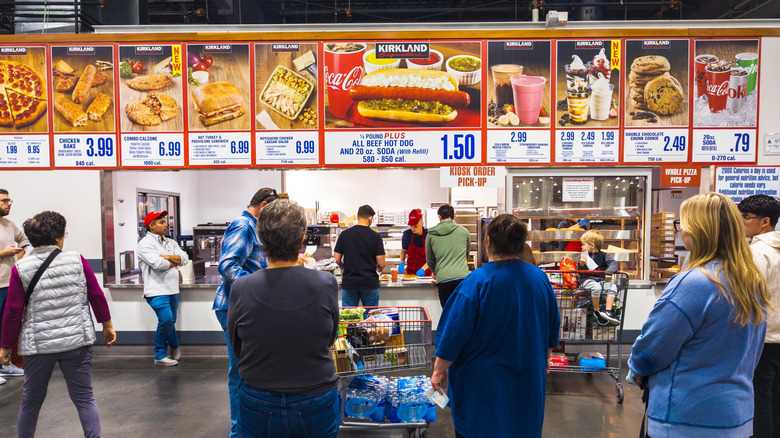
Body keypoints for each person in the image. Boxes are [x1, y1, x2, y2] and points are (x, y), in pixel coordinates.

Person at [628, 192, 770, 437]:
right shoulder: (751, 282)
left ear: (696, 231)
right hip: (736, 416)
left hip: (686, 418)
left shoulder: (694, 284)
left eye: (681, 225)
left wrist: (635, 370)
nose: (680, 231)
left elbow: (651, 352)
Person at [430, 214, 560, 438]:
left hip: (482, 395)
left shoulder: (476, 282)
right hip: (526, 388)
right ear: (522, 244)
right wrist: (546, 356)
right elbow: (551, 327)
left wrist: (438, 371)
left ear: (488, 242)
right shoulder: (540, 279)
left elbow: (453, 335)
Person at [228, 200, 340, 438]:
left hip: (257, 398)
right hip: (315, 397)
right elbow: (330, 337)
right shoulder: (325, 283)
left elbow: (237, 346)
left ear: (261, 240)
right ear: (302, 240)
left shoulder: (241, 287)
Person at [0, 211, 116, 438]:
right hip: (76, 342)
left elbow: (13, 312)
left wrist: (4, 346)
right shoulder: (76, 259)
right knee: (84, 397)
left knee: (31, 400)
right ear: (59, 237)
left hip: (38, 345)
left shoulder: (21, 268)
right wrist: (107, 325)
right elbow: (96, 295)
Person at [214, 187, 279, 438]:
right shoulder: (244, 225)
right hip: (236, 307)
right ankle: (238, 431)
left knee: (251, 369)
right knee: (240, 373)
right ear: (263, 206)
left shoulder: (256, 227)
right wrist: (259, 288)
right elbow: (228, 267)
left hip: (248, 307)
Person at [738, 194, 780, 438]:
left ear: (764, 222)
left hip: (762, 340)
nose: (741, 223)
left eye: (746, 218)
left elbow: (748, 296)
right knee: (776, 399)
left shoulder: (757, 252)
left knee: (759, 400)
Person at [137, 210, 189, 366]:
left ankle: (160, 354)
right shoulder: (145, 244)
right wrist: (174, 260)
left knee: (167, 321)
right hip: (156, 291)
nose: (166, 224)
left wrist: (167, 257)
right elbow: (159, 265)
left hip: (173, 289)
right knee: (166, 320)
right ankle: (174, 345)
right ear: (152, 226)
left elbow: (185, 259)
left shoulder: (170, 242)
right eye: (161, 222)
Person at [0, 189, 28, 383]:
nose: (9, 203)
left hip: (9, 284)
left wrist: (18, 259)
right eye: (4, 200)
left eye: (9, 200)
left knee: (7, 326)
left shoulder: (9, 224)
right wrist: (3, 254)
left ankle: (5, 365)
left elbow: (24, 240)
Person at [333, 205, 386, 307]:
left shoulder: (344, 234)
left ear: (358, 217)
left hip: (349, 283)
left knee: (349, 317)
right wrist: (380, 267)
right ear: (370, 218)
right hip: (369, 283)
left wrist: (345, 265)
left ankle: (351, 324)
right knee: (370, 318)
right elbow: (381, 263)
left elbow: (336, 259)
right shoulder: (375, 237)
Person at [425, 204, 470, 307]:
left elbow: (430, 260)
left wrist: (436, 271)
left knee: (447, 314)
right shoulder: (464, 232)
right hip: (462, 278)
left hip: (444, 280)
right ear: (453, 216)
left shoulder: (431, 235)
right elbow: (466, 255)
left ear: (439, 216)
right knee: (462, 313)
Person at [578, 229, 620, 325]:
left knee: (612, 286)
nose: (581, 246)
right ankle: (596, 310)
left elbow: (613, 264)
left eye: (583, 244)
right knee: (596, 288)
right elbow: (579, 271)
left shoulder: (604, 256)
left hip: (601, 280)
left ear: (592, 246)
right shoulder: (583, 256)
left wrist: (608, 273)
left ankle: (608, 311)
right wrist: (581, 264)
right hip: (587, 280)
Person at [400, 209, 431, 277]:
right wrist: (402, 261)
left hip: (426, 272)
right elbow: (404, 251)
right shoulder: (407, 234)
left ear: (422, 222)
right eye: (411, 226)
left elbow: (432, 257)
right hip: (411, 272)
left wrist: (423, 269)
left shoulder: (429, 234)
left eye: (415, 226)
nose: (413, 228)